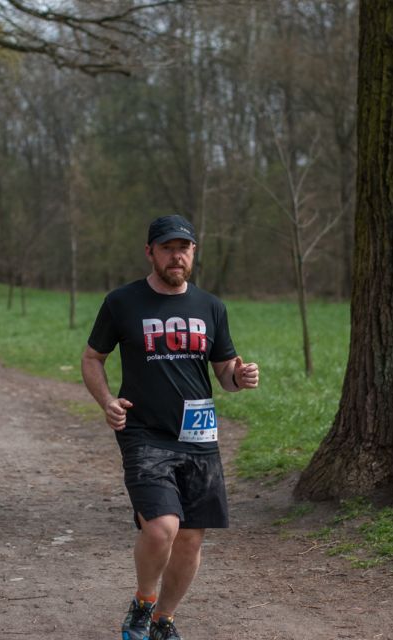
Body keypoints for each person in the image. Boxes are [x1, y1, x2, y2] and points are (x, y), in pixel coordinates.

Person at [81, 214, 259, 640]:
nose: (176, 256)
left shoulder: (211, 307)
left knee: (191, 539)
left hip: (199, 435)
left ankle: (164, 620)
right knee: (162, 527)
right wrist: (107, 401)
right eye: (167, 248)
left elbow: (224, 374)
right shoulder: (122, 303)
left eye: (184, 248)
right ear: (150, 252)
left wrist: (240, 377)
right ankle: (143, 604)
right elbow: (92, 358)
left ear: (193, 252)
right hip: (144, 432)